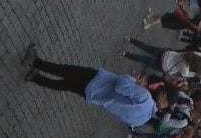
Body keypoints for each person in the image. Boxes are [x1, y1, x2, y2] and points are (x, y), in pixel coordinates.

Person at [23, 54, 156, 128]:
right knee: (64, 85)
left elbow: (120, 86)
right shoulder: (140, 121)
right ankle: (35, 77)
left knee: (65, 70)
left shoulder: (146, 98)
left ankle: (35, 62)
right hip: (95, 97)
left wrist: (134, 81)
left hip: (97, 81)